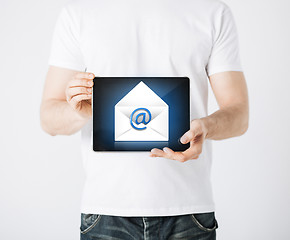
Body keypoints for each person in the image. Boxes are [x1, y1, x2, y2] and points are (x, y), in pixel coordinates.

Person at [40, 0, 249, 239]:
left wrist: (207, 127)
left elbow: (239, 113)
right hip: (105, 210)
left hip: (188, 210)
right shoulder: (78, 14)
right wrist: (80, 111)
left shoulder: (212, 12)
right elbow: (49, 118)